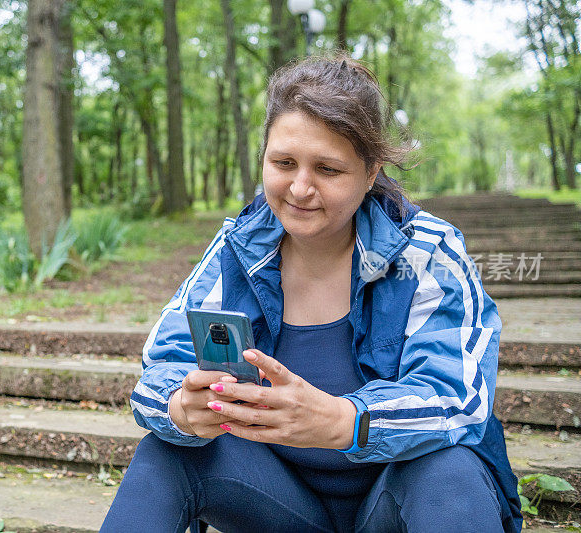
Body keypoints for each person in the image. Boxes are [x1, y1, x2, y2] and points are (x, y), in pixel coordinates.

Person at [101, 54, 522, 533]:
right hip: (280, 504)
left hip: (399, 505)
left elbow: (457, 399)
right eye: (283, 163)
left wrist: (345, 421)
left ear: (370, 173)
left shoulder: (427, 252)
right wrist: (181, 405)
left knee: (448, 467)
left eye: (327, 169)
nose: (300, 188)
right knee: (168, 451)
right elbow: (160, 368)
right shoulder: (237, 248)